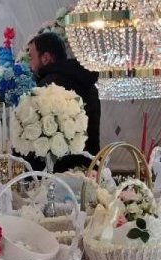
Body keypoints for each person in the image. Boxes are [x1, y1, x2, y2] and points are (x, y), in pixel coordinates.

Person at [27, 32, 100, 170]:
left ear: (45, 58)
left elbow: (37, 135)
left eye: (31, 57)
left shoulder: (48, 86)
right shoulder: (89, 84)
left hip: (60, 173)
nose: (30, 65)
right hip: (90, 166)